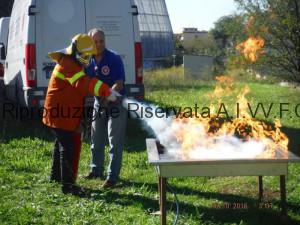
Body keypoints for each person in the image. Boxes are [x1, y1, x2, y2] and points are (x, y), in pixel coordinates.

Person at [43, 33, 118, 195]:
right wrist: (106, 91)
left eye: (88, 56)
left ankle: (56, 177)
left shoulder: (72, 62)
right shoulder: (69, 64)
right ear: (77, 52)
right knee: (67, 147)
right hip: (60, 113)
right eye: (85, 56)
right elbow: (83, 84)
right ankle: (68, 186)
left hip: (60, 112)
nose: (87, 59)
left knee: (61, 144)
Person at [85, 28, 127, 188]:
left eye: (101, 41)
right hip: (98, 103)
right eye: (95, 42)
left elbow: (119, 83)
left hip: (115, 102)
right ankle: (96, 170)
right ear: (90, 43)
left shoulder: (114, 58)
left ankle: (112, 177)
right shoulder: (88, 61)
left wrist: (108, 97)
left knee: (114, 141)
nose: (99, 44)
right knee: (96, 138)